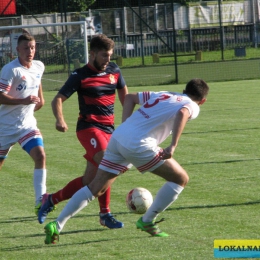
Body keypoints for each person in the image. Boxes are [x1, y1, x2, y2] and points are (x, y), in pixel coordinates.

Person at [43, 78, 209, 244]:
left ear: (184, 89)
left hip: (119, 137)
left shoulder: (165, 94)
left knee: (96, 188)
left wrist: (126, 126)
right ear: (202, 101)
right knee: (180, 179)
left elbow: (129, 98)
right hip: (139, 144)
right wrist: (172, 146)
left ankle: (57, 225)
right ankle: (147, 220)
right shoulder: (192, 105)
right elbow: (182, 113)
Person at [37, 34, 128, 229]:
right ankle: (105, 214)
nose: (108, 60)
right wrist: (59, 119)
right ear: (92, 53)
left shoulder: (114, 70)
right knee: (108, 163)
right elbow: (57, 99)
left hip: (109, 130)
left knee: (90, 180)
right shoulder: (80, 75)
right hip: (88, 128)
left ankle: (51, 199)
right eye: (104, 55)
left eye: (110, 55)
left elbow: (124, 95)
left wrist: (128, 121)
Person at [0, 33, 48, 215]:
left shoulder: (39, 66)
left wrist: (40, 100)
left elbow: (37, 84)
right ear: (17, 50)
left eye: (33, 47)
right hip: (4, 128)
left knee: (40, 156)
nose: (30, 51)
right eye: (26, 48)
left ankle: (40, 201)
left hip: (27, 126)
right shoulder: (10, 70)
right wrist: (23, 101)